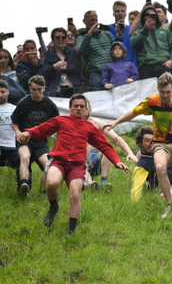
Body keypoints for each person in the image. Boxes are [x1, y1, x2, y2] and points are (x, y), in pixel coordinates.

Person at [15, 94, 130, 235]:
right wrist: (29, 132)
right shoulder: (60, 120)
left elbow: (105, 146)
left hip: (77, 165)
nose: (79, 108)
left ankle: (71, 230)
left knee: (75, 194)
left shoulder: (89, 127)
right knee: (51, 184)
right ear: (70, 107)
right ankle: (53, 206)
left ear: (87, 109)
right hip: (58, 161)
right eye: (76, 106)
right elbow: (42, 129)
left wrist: (117, 161)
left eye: (82, 106)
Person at [102, 72, 172, 215]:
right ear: (158, 90)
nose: (165, 95)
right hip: (161, 142)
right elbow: (133, 112)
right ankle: (169, 205)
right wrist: (116, 122)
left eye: (168, 92)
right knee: (160, 167)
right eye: (162, 92)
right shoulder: (152, 101)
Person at [11, 75, 59, 197]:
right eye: (34, 90)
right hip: (24, 140)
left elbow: (57, 124)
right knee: (25, 157)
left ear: (44, 88)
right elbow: (14, 121)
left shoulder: (50, 105)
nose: (37, 92)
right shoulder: (23, 103)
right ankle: (24, 185)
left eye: (39, 89)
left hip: (41, 143)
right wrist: (18, 133)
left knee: (49, 165)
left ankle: (43, 192)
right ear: (29, 89)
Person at [130, 126, 172, 201]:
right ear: (140, 142)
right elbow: (135, 192)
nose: (152, 143)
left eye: (154, 140)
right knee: (170, 196)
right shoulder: (143, 165)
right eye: (147, 141)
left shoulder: (164, 150)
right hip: (169, 190)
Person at [131, 5, 172, 80]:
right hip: (146, 67)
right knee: (148, 92)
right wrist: (145, 30)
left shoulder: (166, 31)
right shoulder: (138, 32)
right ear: (143, 17)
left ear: (156, 16)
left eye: (152, 15)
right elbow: (133, 44)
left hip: (164, 66)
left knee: (166, 91)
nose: (149, 17)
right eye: (147, 15)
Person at [76, 10, 115, 89]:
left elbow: (118, 48)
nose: (94, 22)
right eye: (91, 20)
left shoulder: (106, 34)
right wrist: (89, 33)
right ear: (84, 21)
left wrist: (120, 35)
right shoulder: (81, 37)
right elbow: (80, 51)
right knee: (98, 98)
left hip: (112, 71)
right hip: (96, 73)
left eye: (96, 20)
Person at [41, 28, 82, 97]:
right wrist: (55, 66)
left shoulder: (72, 52)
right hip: (56, 90)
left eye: (63, 37)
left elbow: (78, 67)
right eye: (57, 37)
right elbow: (44, 72)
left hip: (74, 88)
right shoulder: (49, 53)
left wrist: (67, 68)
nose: (61, 39)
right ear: (53, 40)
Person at [109, 0, 138, 67]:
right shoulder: (108, 30)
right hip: (116, 69)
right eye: (117, 11)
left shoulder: (132, 29)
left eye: (122, 11)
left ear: (125, 13)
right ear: (113, 13)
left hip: (133, 68)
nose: (120, 13)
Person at [0, 80, 19, 170]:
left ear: (8, 92)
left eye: (2, 92)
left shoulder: (15, 109)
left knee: (21, 166)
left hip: (12, 146)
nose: (0, 95)